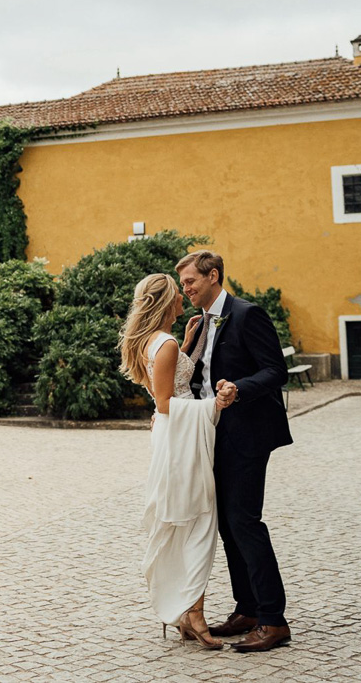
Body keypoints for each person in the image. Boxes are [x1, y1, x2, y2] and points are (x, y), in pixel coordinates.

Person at [176, 250, 293, 652]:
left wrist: (240, 388)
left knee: (245, 521)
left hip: (247, 433)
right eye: (183, 283)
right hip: (212, 434)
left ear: (213, 276)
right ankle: (248, 609)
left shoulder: (247, 313)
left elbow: (276, 370)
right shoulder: (203, 322)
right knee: (227, 525)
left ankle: (274, 620)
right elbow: (198, 380)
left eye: (190, 281)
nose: (186, 289)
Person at [119, 273, 234, 649]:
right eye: (178, 296)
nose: (184, 300)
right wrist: (213, 406)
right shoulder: (164, 345)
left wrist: (184, 346)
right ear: (167, 303)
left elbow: (162, 390)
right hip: (183, 437)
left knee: (188, 520)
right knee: (199, 521)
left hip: (173, 437)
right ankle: (194, 613)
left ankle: (189, 609)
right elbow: (167, 402)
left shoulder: (151, 342)